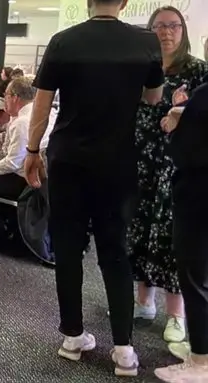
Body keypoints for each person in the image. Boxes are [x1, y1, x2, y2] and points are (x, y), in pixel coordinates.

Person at [23, 0, 164, 377]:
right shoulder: (146, 42)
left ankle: (72, 336)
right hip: (117, 161)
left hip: (68, 159)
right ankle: (124, 351)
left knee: (68, 249)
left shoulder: (63, 41)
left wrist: (32, 152)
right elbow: (153, 98)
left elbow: (41, 107)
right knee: (115, 252)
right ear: (125, 3)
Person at [127, 5, 208, 345]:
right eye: (159, 26)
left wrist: (181, 114)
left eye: (173, 26)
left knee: (174, 239)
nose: (166, 32)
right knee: (139, 229)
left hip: (179, 165)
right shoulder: (141, 67)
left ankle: (177, 315)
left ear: (183, 30)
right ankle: (144, 301)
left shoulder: (199, 70)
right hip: (140, 161)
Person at [153, 72, 208, 383]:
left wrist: (177, 120)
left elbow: (182, 150)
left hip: (198, 195)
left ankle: (201, 360)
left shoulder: (202, 94)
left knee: (194, 274)